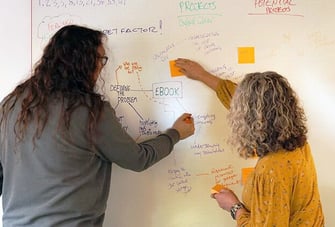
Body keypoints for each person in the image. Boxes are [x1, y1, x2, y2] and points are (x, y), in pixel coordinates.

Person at [0, 25, 195, 226]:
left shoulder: (11, 105)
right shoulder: (89, 111)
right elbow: (137, 159)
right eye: (100, 59)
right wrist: (175, 134)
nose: (102, 67)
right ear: (84, 63)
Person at [175, 58, 324, 226]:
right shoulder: (297, 143)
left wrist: (234, 206)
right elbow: (243, 100)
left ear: (250, 118)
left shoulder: (271, 170)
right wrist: (202, 75)